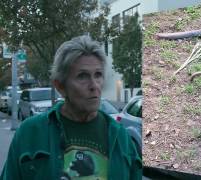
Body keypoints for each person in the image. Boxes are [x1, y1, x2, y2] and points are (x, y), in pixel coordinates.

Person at [0, 35, 142, 180]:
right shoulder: (29, 133)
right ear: (60, 86)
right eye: (82, 76)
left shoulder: (121, 137)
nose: (94, 85)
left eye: (98, 75)